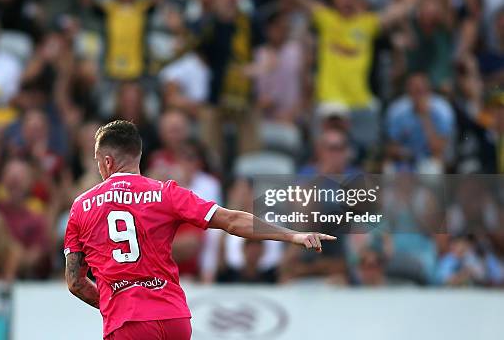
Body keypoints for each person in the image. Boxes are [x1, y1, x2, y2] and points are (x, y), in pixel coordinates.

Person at [64, 120, 335, 339]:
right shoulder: (165, 193)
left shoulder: (81, 207)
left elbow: (75, 282)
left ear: (107, 161)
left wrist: (114, 302)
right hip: (173, 319)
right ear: (138, 154)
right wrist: (292, 234)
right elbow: (231, 220)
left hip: (127, 322)